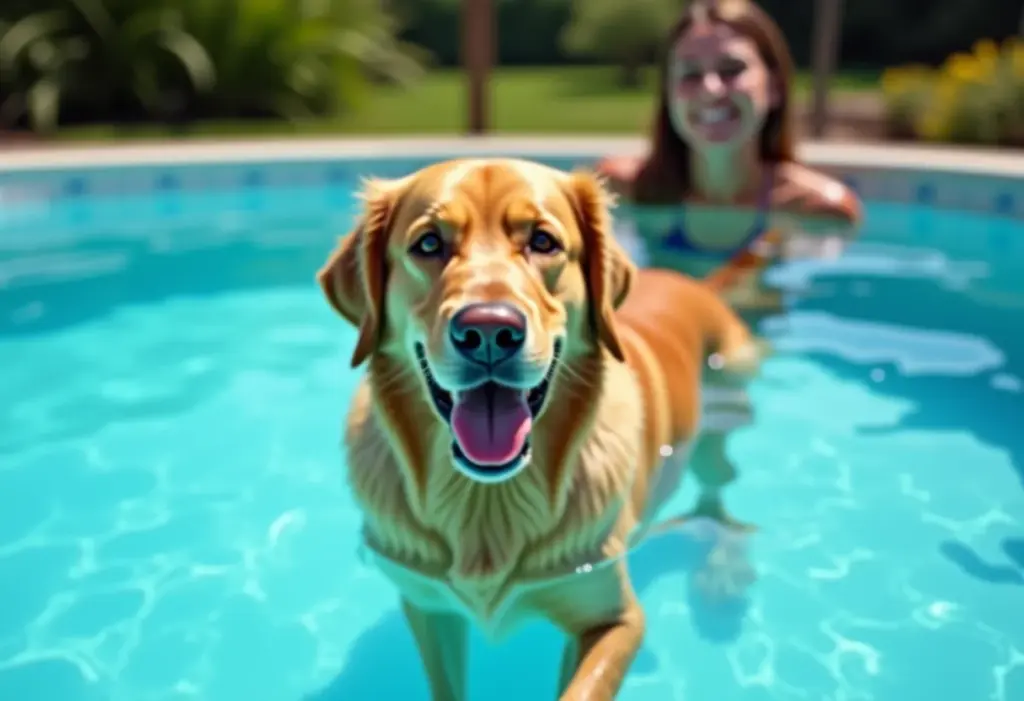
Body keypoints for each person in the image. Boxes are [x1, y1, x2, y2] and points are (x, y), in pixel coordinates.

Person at [597, 0, 862, 311]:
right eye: (690, 74)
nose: (710, 89)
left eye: (732, 69)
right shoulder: (622, 191)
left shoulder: (818, 210)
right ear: (668, 94)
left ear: (774, 85)